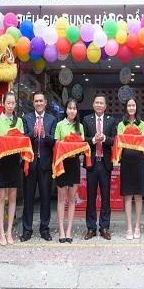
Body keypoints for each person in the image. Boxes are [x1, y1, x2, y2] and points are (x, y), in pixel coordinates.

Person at [21, 91, 57, 242]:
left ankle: (44, 229)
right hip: (29, 164)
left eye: (41, 101)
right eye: (36, 101)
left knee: (45, 198)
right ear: (33, 103)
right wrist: (33, 134)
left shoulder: (52, 119)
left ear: (45, 102)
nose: (39, 103)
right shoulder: (26, 118)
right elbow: (23, 139)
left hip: (45, 164)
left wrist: (44, 135)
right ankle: (27, 230)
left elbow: (54, 141)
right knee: (28, 198)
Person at [82, 94, 117, 240]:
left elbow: (115, 140)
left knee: (105, 197)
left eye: (101, 103)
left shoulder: (111, 120)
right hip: (92, 163)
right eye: (96, 102)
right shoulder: (86, 120)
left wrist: (104, 138)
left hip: (105, 163)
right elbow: (83, 139)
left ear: (105, 106)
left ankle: (104, 227)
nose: (99, 105)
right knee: (90, 197)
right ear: (93, 104)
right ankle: (91, 228)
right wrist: (93, 139)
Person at [0, 91, 24, 246]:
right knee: (1, 197)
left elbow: (22, 141)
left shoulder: (19, 121)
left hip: (14, 162)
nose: (10, 105)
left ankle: (9, 231)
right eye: (8, 103)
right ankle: (1, 233)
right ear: (3, 104)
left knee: (12, 197)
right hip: (2, 161)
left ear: (15, 105)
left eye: (13, 103)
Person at [54, 98, 84, 243]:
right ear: (66, 110)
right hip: (61, 164)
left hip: (74, 164)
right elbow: (56, 145)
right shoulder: (59, 125)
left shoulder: (80, 127)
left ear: (77, 111)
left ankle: (69, 230)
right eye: (70, 108)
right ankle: (61, 229)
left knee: (72, 199)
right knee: (61, 199)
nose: (72, 111)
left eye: (74, 108)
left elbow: (82, 146)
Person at [118, 98, 144, 240]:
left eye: (133, 105)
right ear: (126, 108)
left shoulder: (141, 124)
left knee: (138, 195)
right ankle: (129, 227)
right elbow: (119, 143)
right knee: (128, 195)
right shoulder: (121, 124)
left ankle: (137, 226)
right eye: (129, 105)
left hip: (139, 161)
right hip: (126, 161)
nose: (131, 107)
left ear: (136, 107)